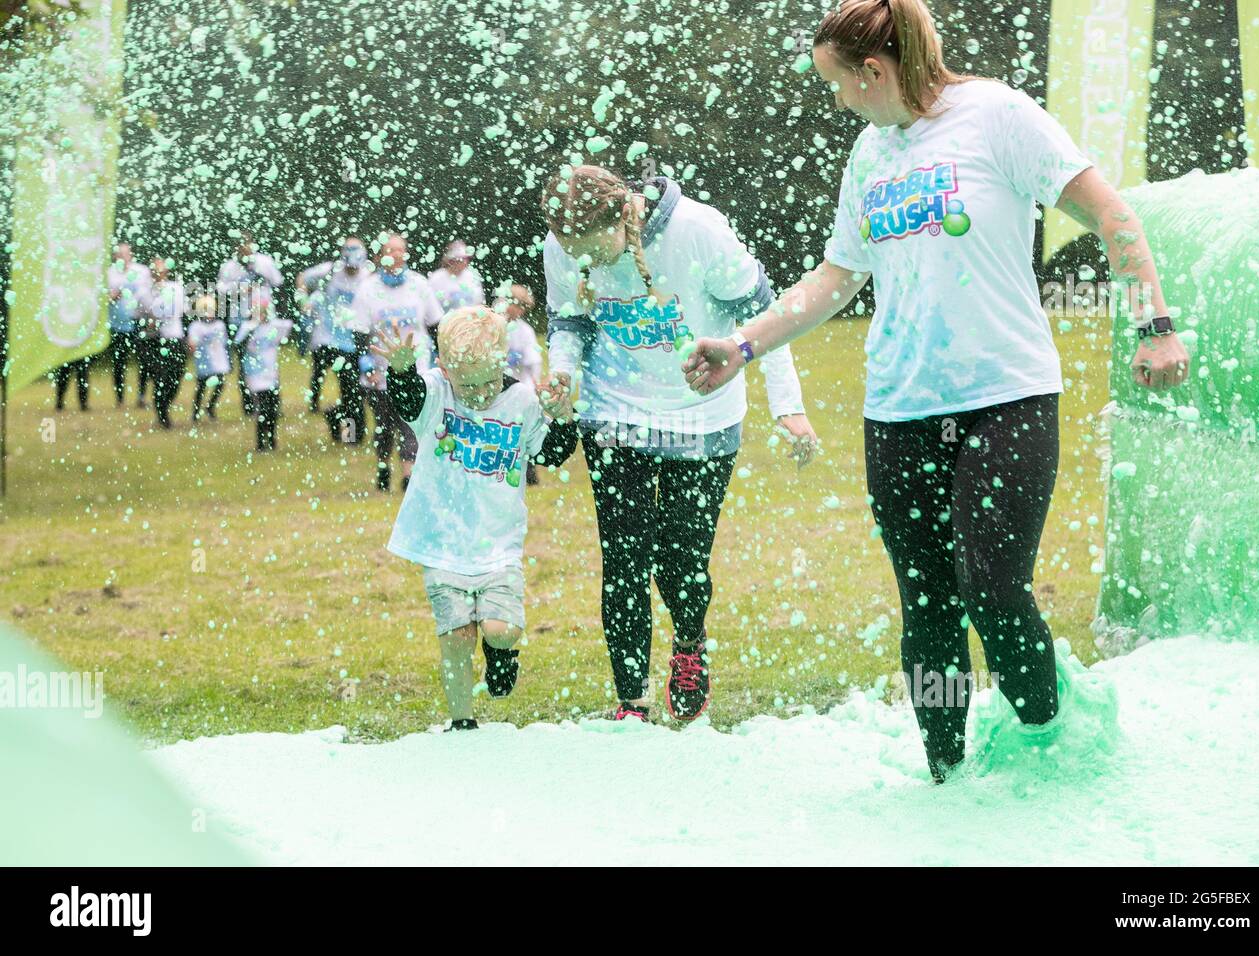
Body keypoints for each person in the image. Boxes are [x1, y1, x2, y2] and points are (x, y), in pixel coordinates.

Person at [681, 0, 1189, 782]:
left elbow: (1110, 213)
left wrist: (1154, 323)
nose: (840, 101)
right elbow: (838, 276)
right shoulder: (869, 153)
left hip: (1007, 395)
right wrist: (744, 345)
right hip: (899, 408)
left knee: (991, 586)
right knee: (927, 602)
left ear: (875, 71)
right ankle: (945, 773)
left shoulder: (997, 116)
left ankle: (1051, 747)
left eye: (841, 86)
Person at [540, 164, 818, 723]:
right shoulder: (561, 242)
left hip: (702, 417)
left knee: (681, 561)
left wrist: (788, 408)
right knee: (623, 561)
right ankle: (631, 700)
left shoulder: (698, 231)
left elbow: (766, 317)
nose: (584, 262)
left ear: (625, 219)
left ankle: (689, 645)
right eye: (575, 252)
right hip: (614, 415)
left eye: (595, 250)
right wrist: (563, 375)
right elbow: (569, 322)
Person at [373, 306, 577, 730]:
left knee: (501, 628)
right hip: (443, 543)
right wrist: (402, 371)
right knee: (456, 637)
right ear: (445, 369)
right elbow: (407, 399)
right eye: (467, 385)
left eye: (487, 383)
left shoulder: (521, 401)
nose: (479, 394)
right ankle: (462, 721)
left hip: (497, 543)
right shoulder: (436, 393)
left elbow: (552, 453)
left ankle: (502, 652)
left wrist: (562, 419)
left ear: (503, 362)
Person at [351, 232, 443, 491]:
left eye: (400, 250)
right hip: (381, 372)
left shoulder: (418, 284)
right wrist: (366, 365)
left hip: (417, 367)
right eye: (390, 250)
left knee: (411, 422)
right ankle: (382, 469)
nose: (396, 255)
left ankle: (408, 476)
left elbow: (435, 324)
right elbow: (359, 333)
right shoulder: (368, 289)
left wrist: (440, 357)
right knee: (384, 425)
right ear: (380, 255)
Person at [296, 237, 371, 442]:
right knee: (334, 384)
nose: (352, 270)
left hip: (352, 342)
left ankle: (340, 423)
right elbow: (302, 277)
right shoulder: (329, 271)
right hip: (325, 340)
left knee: (352, 393)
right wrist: (303, 299)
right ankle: (350, 436)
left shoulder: (368, 277)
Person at [217, 231, 284, 416]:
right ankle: (248, 405)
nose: (244, 248)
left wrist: (262, 277)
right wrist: (240, 289)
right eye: (240, 245)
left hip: (264, 320)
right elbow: (220, 289)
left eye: (246, 244)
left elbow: (278, 281)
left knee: (269, 361)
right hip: (240, 320)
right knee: (245, 364)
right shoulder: (229, 267)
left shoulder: (265, 262)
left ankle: (272, 404)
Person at [493, 283, 544, 484]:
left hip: (515, 390)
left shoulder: (525, 331)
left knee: (519, 431)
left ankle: (527, 471)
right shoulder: (489, 324)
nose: (519, 311)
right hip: (491, 388)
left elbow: (533, 365)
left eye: (523, 307)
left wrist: (533, 391)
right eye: (517, 305)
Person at [233, 288, 293, 452]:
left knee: (273, 409)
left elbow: (288, 325)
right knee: (264, 407)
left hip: (271, 372)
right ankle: (261, 442)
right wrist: (253, 327)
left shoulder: (273, 326)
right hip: (255, 373)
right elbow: (238, 344)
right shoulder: (248, 327)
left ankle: (272, 439)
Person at [142, 257, 187, 430]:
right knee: (161, 378)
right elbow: (143, 313)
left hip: (174, 338)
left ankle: (164, 406)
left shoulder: (176, 288)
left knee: (175, 378)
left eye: (160, 271)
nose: (158, 274)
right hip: (155, 341)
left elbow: (178, 310)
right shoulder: (146, 292)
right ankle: (162, 415)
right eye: (154, 271)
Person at [105, 242, 152, 408]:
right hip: (117, 324)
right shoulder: (109, 273)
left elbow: (147, 294)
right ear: (114, 257)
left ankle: (141, 396)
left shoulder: (142, 271)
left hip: (139, 321)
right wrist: (112, 296)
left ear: (130, 255)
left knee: (144, 361)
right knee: (119, 363)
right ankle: (120, 399)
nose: (123, 258)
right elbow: (104, 297)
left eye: (125, 254)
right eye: (119, 255)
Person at [186, 294, 230, 421]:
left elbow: (223, 342)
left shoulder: (219, 325)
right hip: (204, 361)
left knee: (220, 384)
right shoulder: (196, 326)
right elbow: (192, 343)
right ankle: (195, 413)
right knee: (201, 387)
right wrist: (192, 346)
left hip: (219, 359)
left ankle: (210, 407)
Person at [426, 240, 485, 316]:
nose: (465, 262)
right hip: (446, 324)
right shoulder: (436, 278)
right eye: (461, 259)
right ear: (451, 261)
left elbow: (479, 304)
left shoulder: (473, 275)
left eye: (466, 258)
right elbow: (428, 307)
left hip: (469, 323)